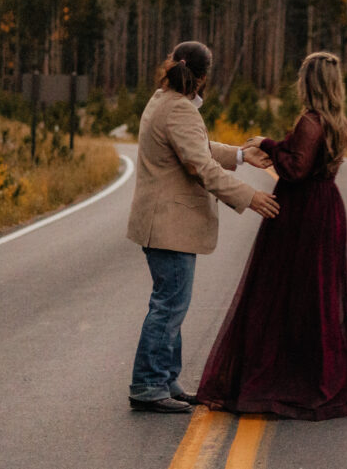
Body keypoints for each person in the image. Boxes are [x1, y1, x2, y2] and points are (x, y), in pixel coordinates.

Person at [197, 52, 347, 421]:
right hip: (325, 209)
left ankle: (288, 381)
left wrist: (266, 143)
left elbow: (295, 169)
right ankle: (313, 375)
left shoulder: (311, 121)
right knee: (317, 297)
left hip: (304, 214)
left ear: (308, 82)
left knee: (284, 294)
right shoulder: (336, 121)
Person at [127, 40, 280, 414]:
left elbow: (197, 147)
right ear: (203, 77)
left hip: (162, 222)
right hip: (169, 224)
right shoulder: (180, 109)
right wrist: (248, 196)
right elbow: (200, 165)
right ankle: (148, 384)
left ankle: (165, 378)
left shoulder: (162, 100)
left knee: (172, 302)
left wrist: (241, 156)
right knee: (169, 305)